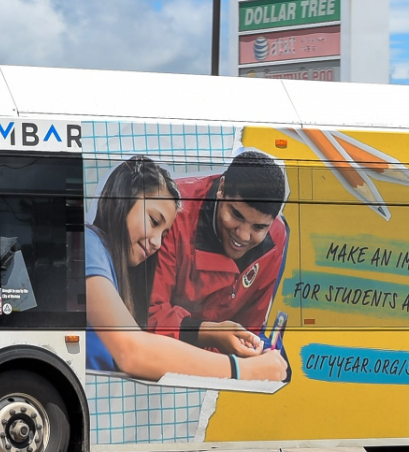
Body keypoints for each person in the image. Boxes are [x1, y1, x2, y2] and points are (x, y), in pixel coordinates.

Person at [85, 155, 286, 382]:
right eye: (153, 220)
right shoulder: (89, 246)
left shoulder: (109, 261)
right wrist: (241, 370)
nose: (157, 243)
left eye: (164, 233)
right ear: (121, 200)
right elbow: (134, 351)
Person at [146, 149, 290, 364]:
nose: (243, 235)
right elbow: (148, 314)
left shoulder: (277, 237)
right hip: (157, 355)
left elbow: (249, 327)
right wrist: (209, 334)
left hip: (217, 369)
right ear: (221, 189)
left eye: (259, 227)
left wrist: (251, 349)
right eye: (236, 215)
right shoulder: (174, 210)